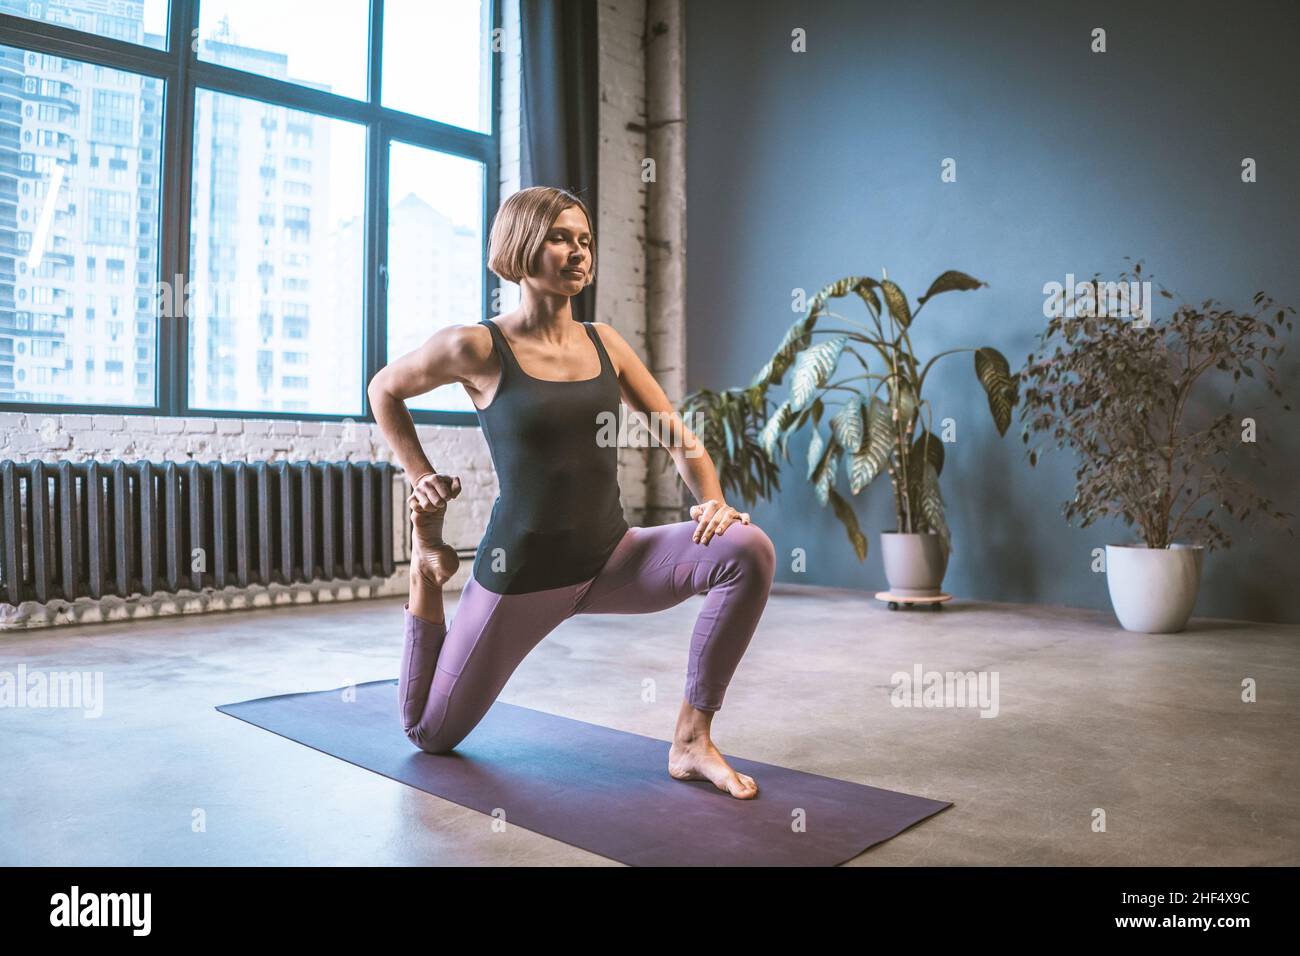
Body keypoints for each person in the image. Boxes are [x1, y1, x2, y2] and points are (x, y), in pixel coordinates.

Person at [368, 186, 776, 799]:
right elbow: (384, 389)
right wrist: (420, 473)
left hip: (612, 559)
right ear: (521, 246)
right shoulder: (476, 346)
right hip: (521, 577)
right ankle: (427, 568)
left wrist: (713, 501)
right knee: (430, 733)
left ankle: (692, 740)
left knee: (747, 548)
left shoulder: (604, 342)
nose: (579, 252)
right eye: (561, 238)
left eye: (585, 240)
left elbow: (678, 437)